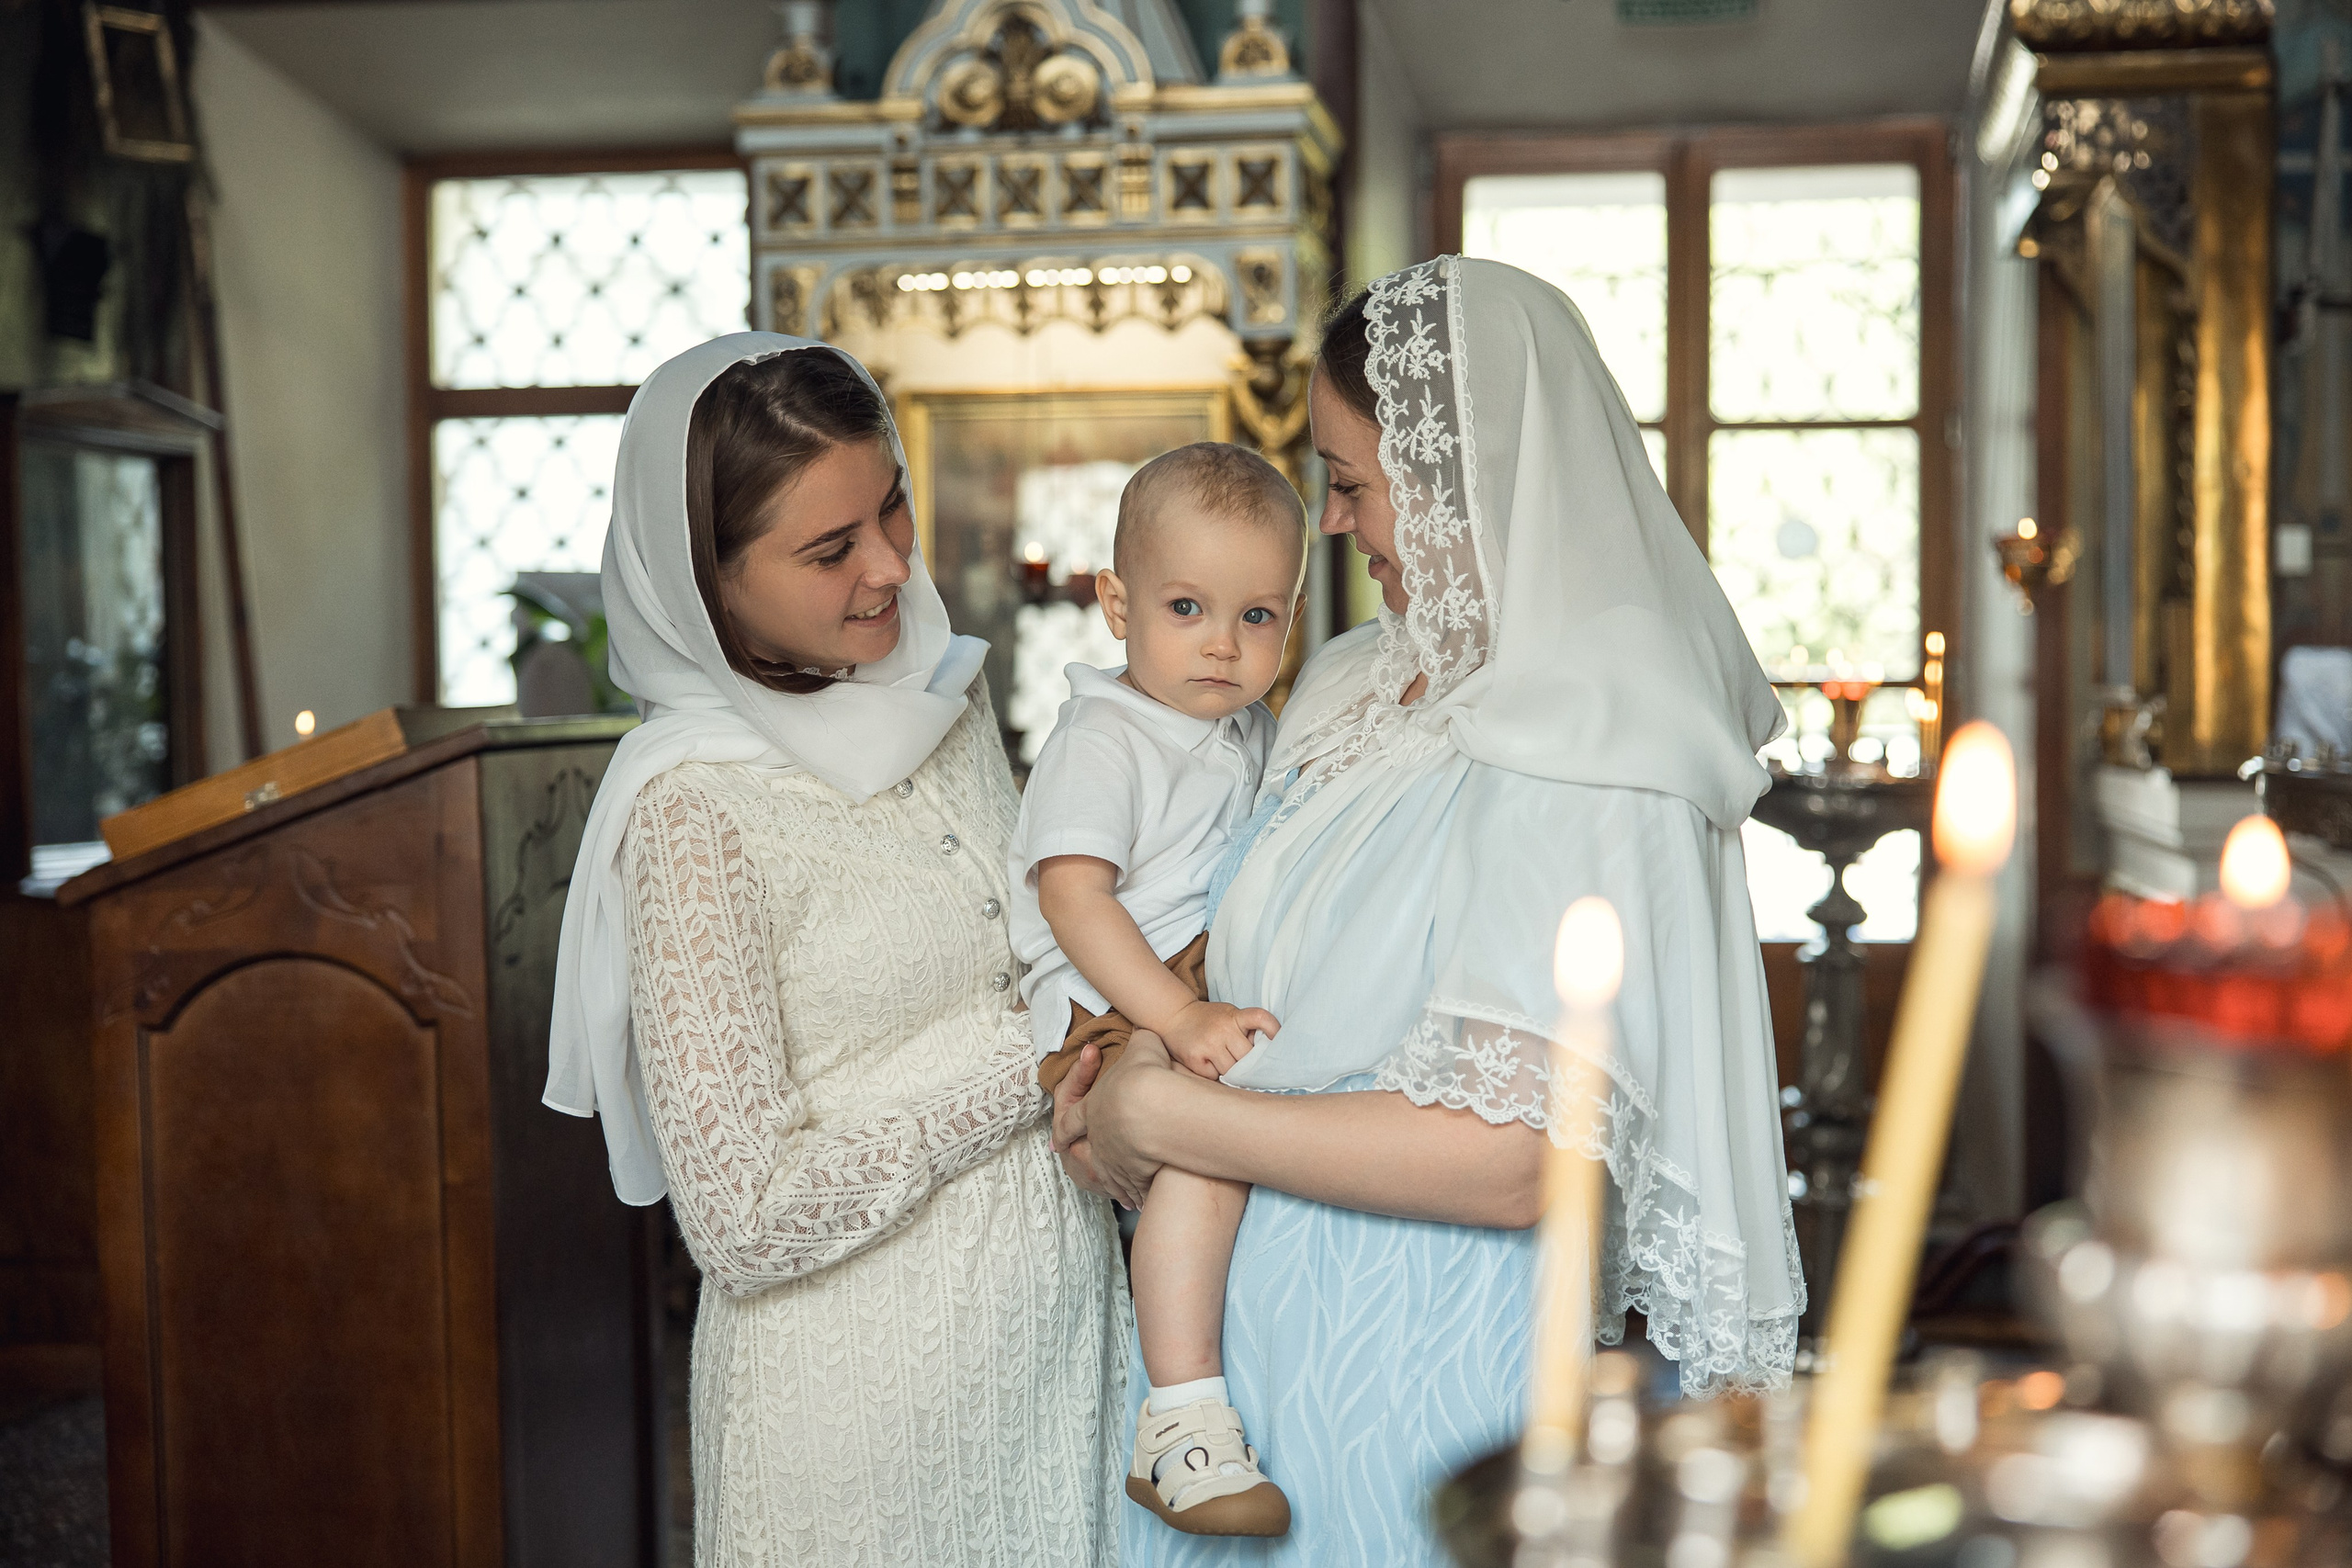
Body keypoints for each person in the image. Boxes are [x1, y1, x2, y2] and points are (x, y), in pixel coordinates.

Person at [1051, 256, 1807, 1566]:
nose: (1334, 524)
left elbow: (1515, 1153)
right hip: (1221, 1352)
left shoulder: (1597, 732)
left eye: (1351, 482)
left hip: (1430, 1350)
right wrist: (1119, 1058)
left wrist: (1175, 1115)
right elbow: (1236, 951)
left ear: (1462, 478)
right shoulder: (1346, 678)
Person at [544, 333, 1128, 1568]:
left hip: (1057, 1346)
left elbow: (1030, 939)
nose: (888, 566)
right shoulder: (692, 811)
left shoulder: (947, 696)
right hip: (856, 1410)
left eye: (891, 507)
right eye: (829, 548)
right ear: (706, 580)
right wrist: (1033, 1056)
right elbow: (745, 1214)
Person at [1012, 444, 1304, 1538]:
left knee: (1238, 1150)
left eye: (1259, 616)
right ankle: (1179, 1429)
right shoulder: (1104, 736)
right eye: (1187, 607)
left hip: (1184, 977)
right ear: (1116, 605)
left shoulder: (1240, 728)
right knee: (1207, 1153)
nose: (1224, 644)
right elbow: (1074, 899)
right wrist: (1175, 1018)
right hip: (1114, 990)